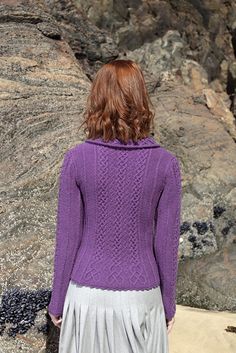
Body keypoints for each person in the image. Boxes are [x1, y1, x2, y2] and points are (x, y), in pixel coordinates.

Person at [47, 59, 182, 353]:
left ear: (97, 98)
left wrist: (57, 301)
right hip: (141, 299)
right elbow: (167, 245)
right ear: (141, 98)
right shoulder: (166, 164)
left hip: (86, 299)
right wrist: (168, 304)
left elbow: (68, 239)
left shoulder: (77, 159)